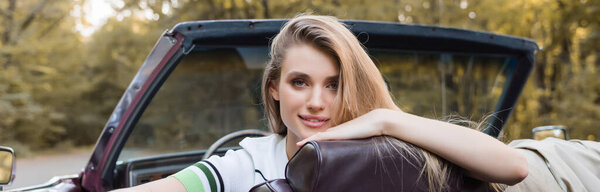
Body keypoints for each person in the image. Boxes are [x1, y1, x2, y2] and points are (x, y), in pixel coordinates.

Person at [114, 15, 531, 192]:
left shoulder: (386, 148)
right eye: (300, 82)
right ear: (274, 87)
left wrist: (386, 119)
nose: (317, 102)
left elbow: (513, 168)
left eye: (334, 85)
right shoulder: (248, 162)